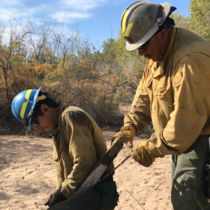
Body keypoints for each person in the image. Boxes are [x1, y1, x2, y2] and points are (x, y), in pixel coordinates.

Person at [111, 1, 210, 210]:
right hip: (179, 141)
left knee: (188, 202)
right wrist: (130, 126)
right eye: (138, 47)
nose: (141, 53)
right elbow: (144, 96)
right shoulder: (157, 53)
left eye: (143, 46)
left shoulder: (189, 60)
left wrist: (151, 148)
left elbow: (185, 124)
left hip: (200, 139)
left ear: (163, 33)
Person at [11, 85, 119, 210]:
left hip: (94, 195)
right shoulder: (58, 129)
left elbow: (85, 162)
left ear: (45, 108)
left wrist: (62, 193)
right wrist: (60, 193)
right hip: (80, 195)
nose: (38, 129)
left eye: (35, 123)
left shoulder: (70, 116)